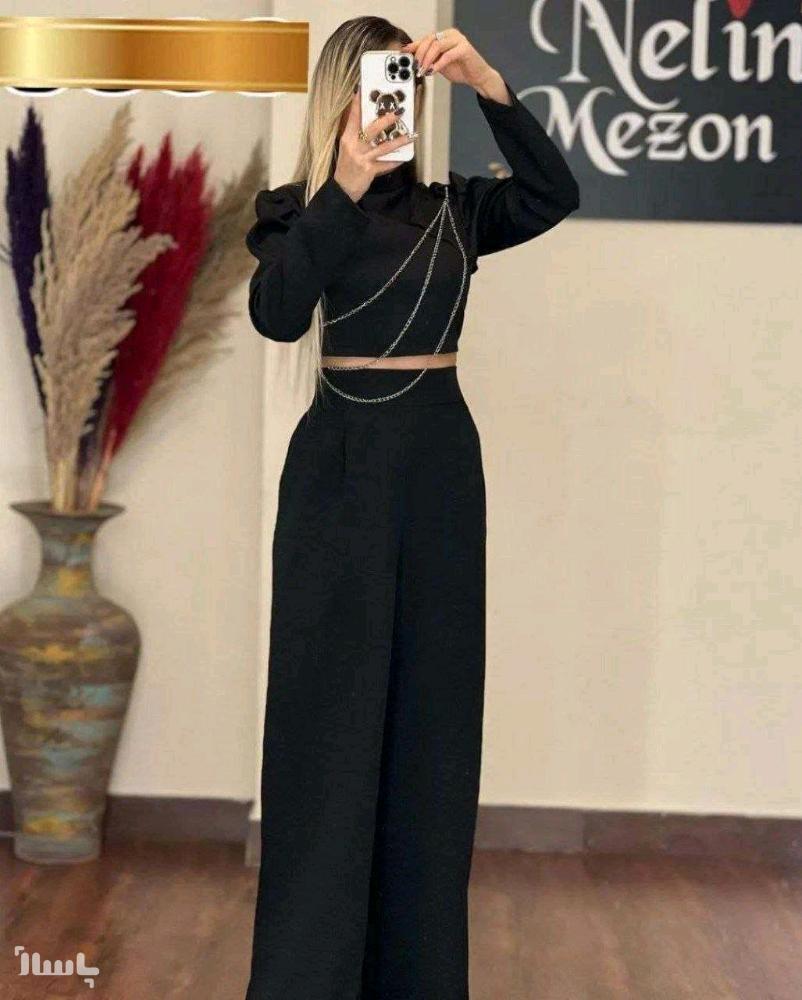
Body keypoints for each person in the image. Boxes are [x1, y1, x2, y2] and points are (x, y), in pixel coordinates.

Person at [243, 15, 579, 1000]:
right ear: (341, 98)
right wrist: (343, 187)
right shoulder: (296, 210)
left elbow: (554, 194)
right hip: (337, 471)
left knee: (432, 726)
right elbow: (276, 314)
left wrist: (487, 82)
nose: (396, 108)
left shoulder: (456, 210)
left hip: (438, 468)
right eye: (378, 88)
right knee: (326, 722)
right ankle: (308, 977)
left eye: (408, 89)